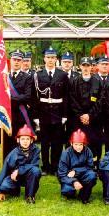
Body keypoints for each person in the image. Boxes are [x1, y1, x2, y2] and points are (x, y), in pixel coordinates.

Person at [32, 47, 69, 175]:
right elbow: (34, 96)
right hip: (43, 112)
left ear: (56, 59)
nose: (50, 60)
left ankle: (55, 166)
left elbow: (66, 96)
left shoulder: (62, 75)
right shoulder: (38, 75)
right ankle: (46, 166)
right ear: (44, 59)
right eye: (48, 57)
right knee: (44, 141)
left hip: (58, 112)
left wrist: (65, 114)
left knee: (57, 141)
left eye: (53, 58)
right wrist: (36, 116)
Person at [69, 57, 103, 166]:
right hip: (78, 119)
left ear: (91, 67)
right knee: (78, 141)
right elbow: (72, 99)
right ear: (80, 67)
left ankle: (94, 164)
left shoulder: (98, 81)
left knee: (94, 142)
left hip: (94, 119)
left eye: (88, 65)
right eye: (84, 65)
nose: (86, 68)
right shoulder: (74, 81)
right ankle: (77, 164)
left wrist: (90, 115)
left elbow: (101, 100)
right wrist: (81, 115)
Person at [0, 124, 41, 204]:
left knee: (36, 171)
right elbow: (5, 170)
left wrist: (19, 170)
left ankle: (30, 196)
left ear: (31, 140)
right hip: (15, 177)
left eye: (27, 139)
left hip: (29, 176)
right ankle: (15, 190)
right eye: (22, 139)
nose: (25, 141)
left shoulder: (36, 150)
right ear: (18, 140)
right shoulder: (13, 153)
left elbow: (35, 165)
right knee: (4, 187)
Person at [3, 49, 33, 159]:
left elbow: (27, 96)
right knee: (7, 140)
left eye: (19, 60)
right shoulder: (4, 77)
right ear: (10, 60)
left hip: (21, 115)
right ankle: (7, 161)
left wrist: (9, 99)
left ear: (21, 62)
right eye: (14, 60)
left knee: (20, 139)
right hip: (6, 115)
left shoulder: (27, 77)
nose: (16, 62)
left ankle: (21, 162)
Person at [58, 129, 97, 204]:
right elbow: (62, 174)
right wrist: (74, 181)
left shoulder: (88, 151)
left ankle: (84, 195)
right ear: (71, 143)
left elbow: (90, 167)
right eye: (76, 144)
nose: (78, 147)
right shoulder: (66, 153)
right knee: (68, 192)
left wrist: (76, 171)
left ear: (84, 144)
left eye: (80, 144)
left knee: (92, 175)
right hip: (69, 177)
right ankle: (70, 192)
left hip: (83, 175)